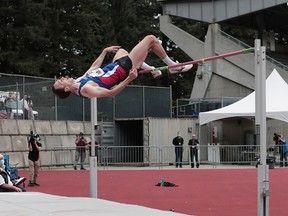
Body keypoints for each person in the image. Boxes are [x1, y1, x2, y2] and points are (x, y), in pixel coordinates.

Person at [52, 35, 193, 99]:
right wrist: (129, 79)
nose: (62, 77)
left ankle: (152, 68)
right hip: (123, 69)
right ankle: (172, 66)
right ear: (65, 88)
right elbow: (110, 93)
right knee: (151, 39)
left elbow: (92, 68)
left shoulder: (77, 81)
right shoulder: (86, 89)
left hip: (116, 64)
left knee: (122, 51)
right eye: (60, 81)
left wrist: (104, 52)